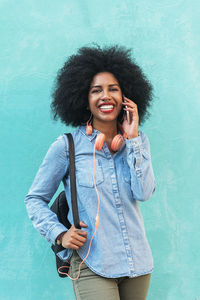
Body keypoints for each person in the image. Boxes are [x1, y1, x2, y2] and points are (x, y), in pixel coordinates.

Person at [25, 45, 156, 300]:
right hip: (92, 262)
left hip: (137, 263)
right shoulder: (67, 147)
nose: (105, 96)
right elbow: (34, 200)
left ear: (126, 96)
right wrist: (60, 234)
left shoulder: (138, 142)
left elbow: (144, 192)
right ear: (83, 98)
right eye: (96, 90)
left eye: (113, 89)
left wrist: (133, 140)